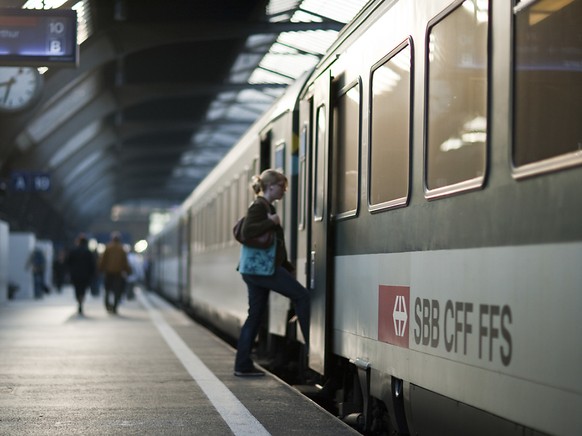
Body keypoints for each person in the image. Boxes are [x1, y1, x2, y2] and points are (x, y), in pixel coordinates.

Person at [234, 169, 310, 377]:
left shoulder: (265, 206)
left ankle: (242, 365)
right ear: (271, 186)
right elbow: (249, 231)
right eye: (282, 186)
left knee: (255, 316)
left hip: (257, 270)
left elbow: (273, 245)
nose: (284, 191)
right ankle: (313, 345)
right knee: (302, 296)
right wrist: (272, 222)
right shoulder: (259, 206)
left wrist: (286, 266)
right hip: (262, 270)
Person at [98, 232, 131, 314]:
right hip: (118, 273)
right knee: (117, 290)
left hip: (108, 273)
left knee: (107, 290)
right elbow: (125, 262)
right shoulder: (122, 249)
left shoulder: (108, 248)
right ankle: (115, 307)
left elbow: (103, 260)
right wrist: (128, 270)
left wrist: (100, 269)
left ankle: (107, 305)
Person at [66, 234, 96, 315]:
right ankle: (81, 302)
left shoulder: (73, 251)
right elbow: (92, 265)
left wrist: (69, 272)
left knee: (77, 289)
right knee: (83, 290)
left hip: (75, 274)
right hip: (85, 275)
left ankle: (79, 302)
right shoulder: (88, 252)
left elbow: (68, 262)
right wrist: (92, 274)